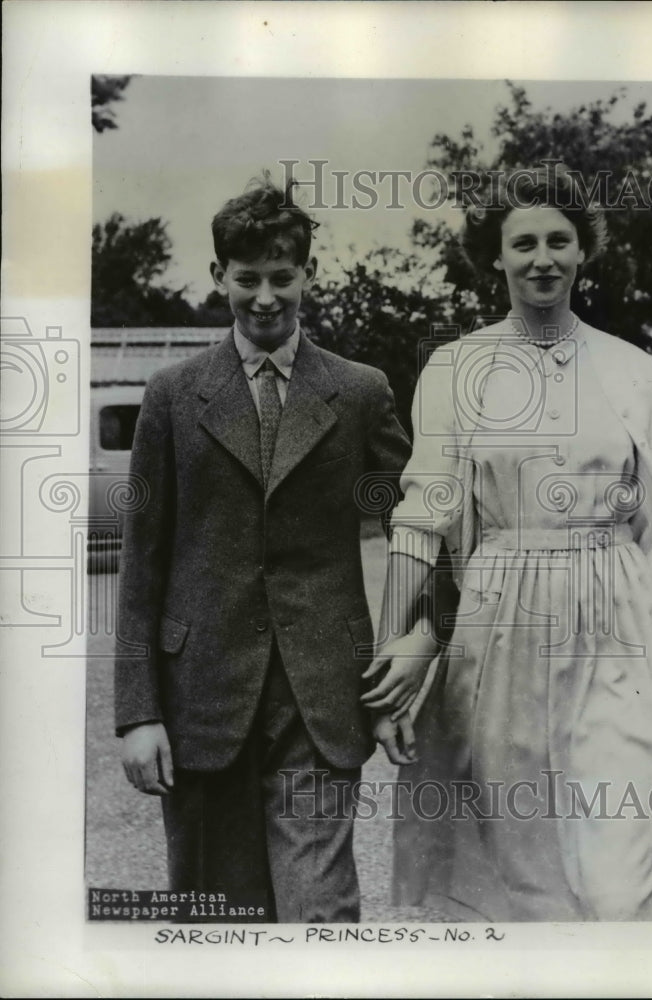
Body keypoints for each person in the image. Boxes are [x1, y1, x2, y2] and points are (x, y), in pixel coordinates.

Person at [364, 163, 652, 921]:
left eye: (559, 239)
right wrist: (396, 645)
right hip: (500, 623)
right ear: (497, 256)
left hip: (616, 622)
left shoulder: (632, 369)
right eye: (524, 243)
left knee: (624, 862)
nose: (542, 257)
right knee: (520, 868)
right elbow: (424, 513)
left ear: (585, 250)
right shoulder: (456, 369)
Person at [115, 175, 411, 922]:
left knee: (320, 913)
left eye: (284, 277)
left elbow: (418, 532)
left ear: (310, 274)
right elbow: (142, 561)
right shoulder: (173, 396)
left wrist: (407, 661)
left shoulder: (360, 391)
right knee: (219, 917)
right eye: (247, 280)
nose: (267, 297)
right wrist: (138, 712)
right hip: (199, 702)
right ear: (219, 277)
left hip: (322, 697)